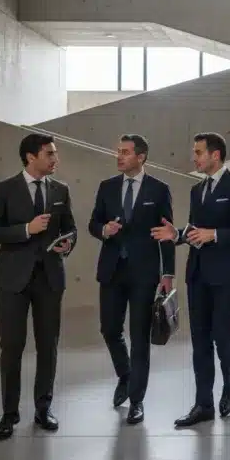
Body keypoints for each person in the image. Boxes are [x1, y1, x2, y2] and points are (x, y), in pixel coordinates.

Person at [151, 132, 230, 427]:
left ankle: (229, 386)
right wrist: (177, 235)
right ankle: (203, 405)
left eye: (198, 152)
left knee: (222, 335)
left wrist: (216, 234)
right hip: (197, 273)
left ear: (215, 155)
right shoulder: (196, 190)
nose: (194, 158)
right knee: (200, 341)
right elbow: (195, 230)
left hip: (227, 273)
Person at [0, 133, 77, 440]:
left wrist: (68, 243)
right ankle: (9, 414)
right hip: (13, 281)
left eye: (55, 154)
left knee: (48, 346)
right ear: (30, 157)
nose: (55, 159)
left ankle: (43, 409)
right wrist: (26, 229)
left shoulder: (61, 189)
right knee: (11, 347)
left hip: (50, 279)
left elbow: (70, 228)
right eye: (49, 154)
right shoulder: (4, 189)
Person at [89, 134, 175, 425]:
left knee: (140, 337)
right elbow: (93, 223)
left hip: (144, 273)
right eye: (118, 152)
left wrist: (168, 273)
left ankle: (137, 400)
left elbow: (166, 233)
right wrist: (104, 230)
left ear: (141, 157)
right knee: (109, 329)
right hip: (112, 271)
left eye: (125, 152)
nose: (119, 156)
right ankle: (125, 377)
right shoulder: (106, 187)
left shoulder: (159, 189)